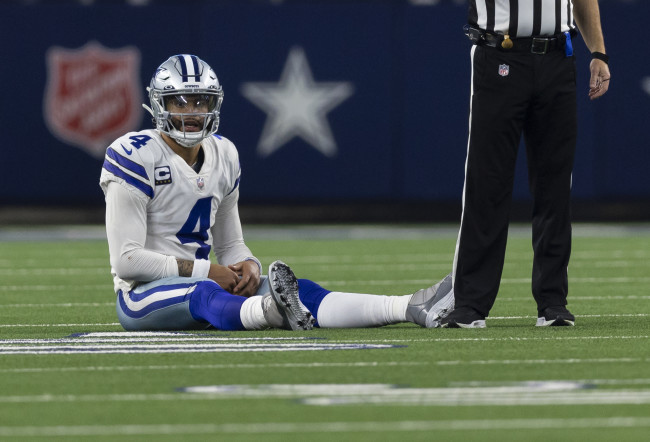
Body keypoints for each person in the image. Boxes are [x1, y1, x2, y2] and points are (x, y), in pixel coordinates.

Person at [99, 54, 454, 332]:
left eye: (201, 102)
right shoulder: (133, 155)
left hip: (208, 281)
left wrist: (249, 265)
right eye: (180, 102)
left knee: (303, 289)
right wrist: (208, 272)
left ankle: (409, 306)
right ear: (160, 105)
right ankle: (270, 312)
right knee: (204, 294)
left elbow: (231, 245)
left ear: (214, 105)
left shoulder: (224, 153)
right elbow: (127, 261)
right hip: (142, 295)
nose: (192, 113)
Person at [444, 0, 610, 328]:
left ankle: (552, 301)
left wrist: (599, 53)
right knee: (486, 182)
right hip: (499, 55)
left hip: (558, 58)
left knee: (555, 185)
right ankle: (471, 304)